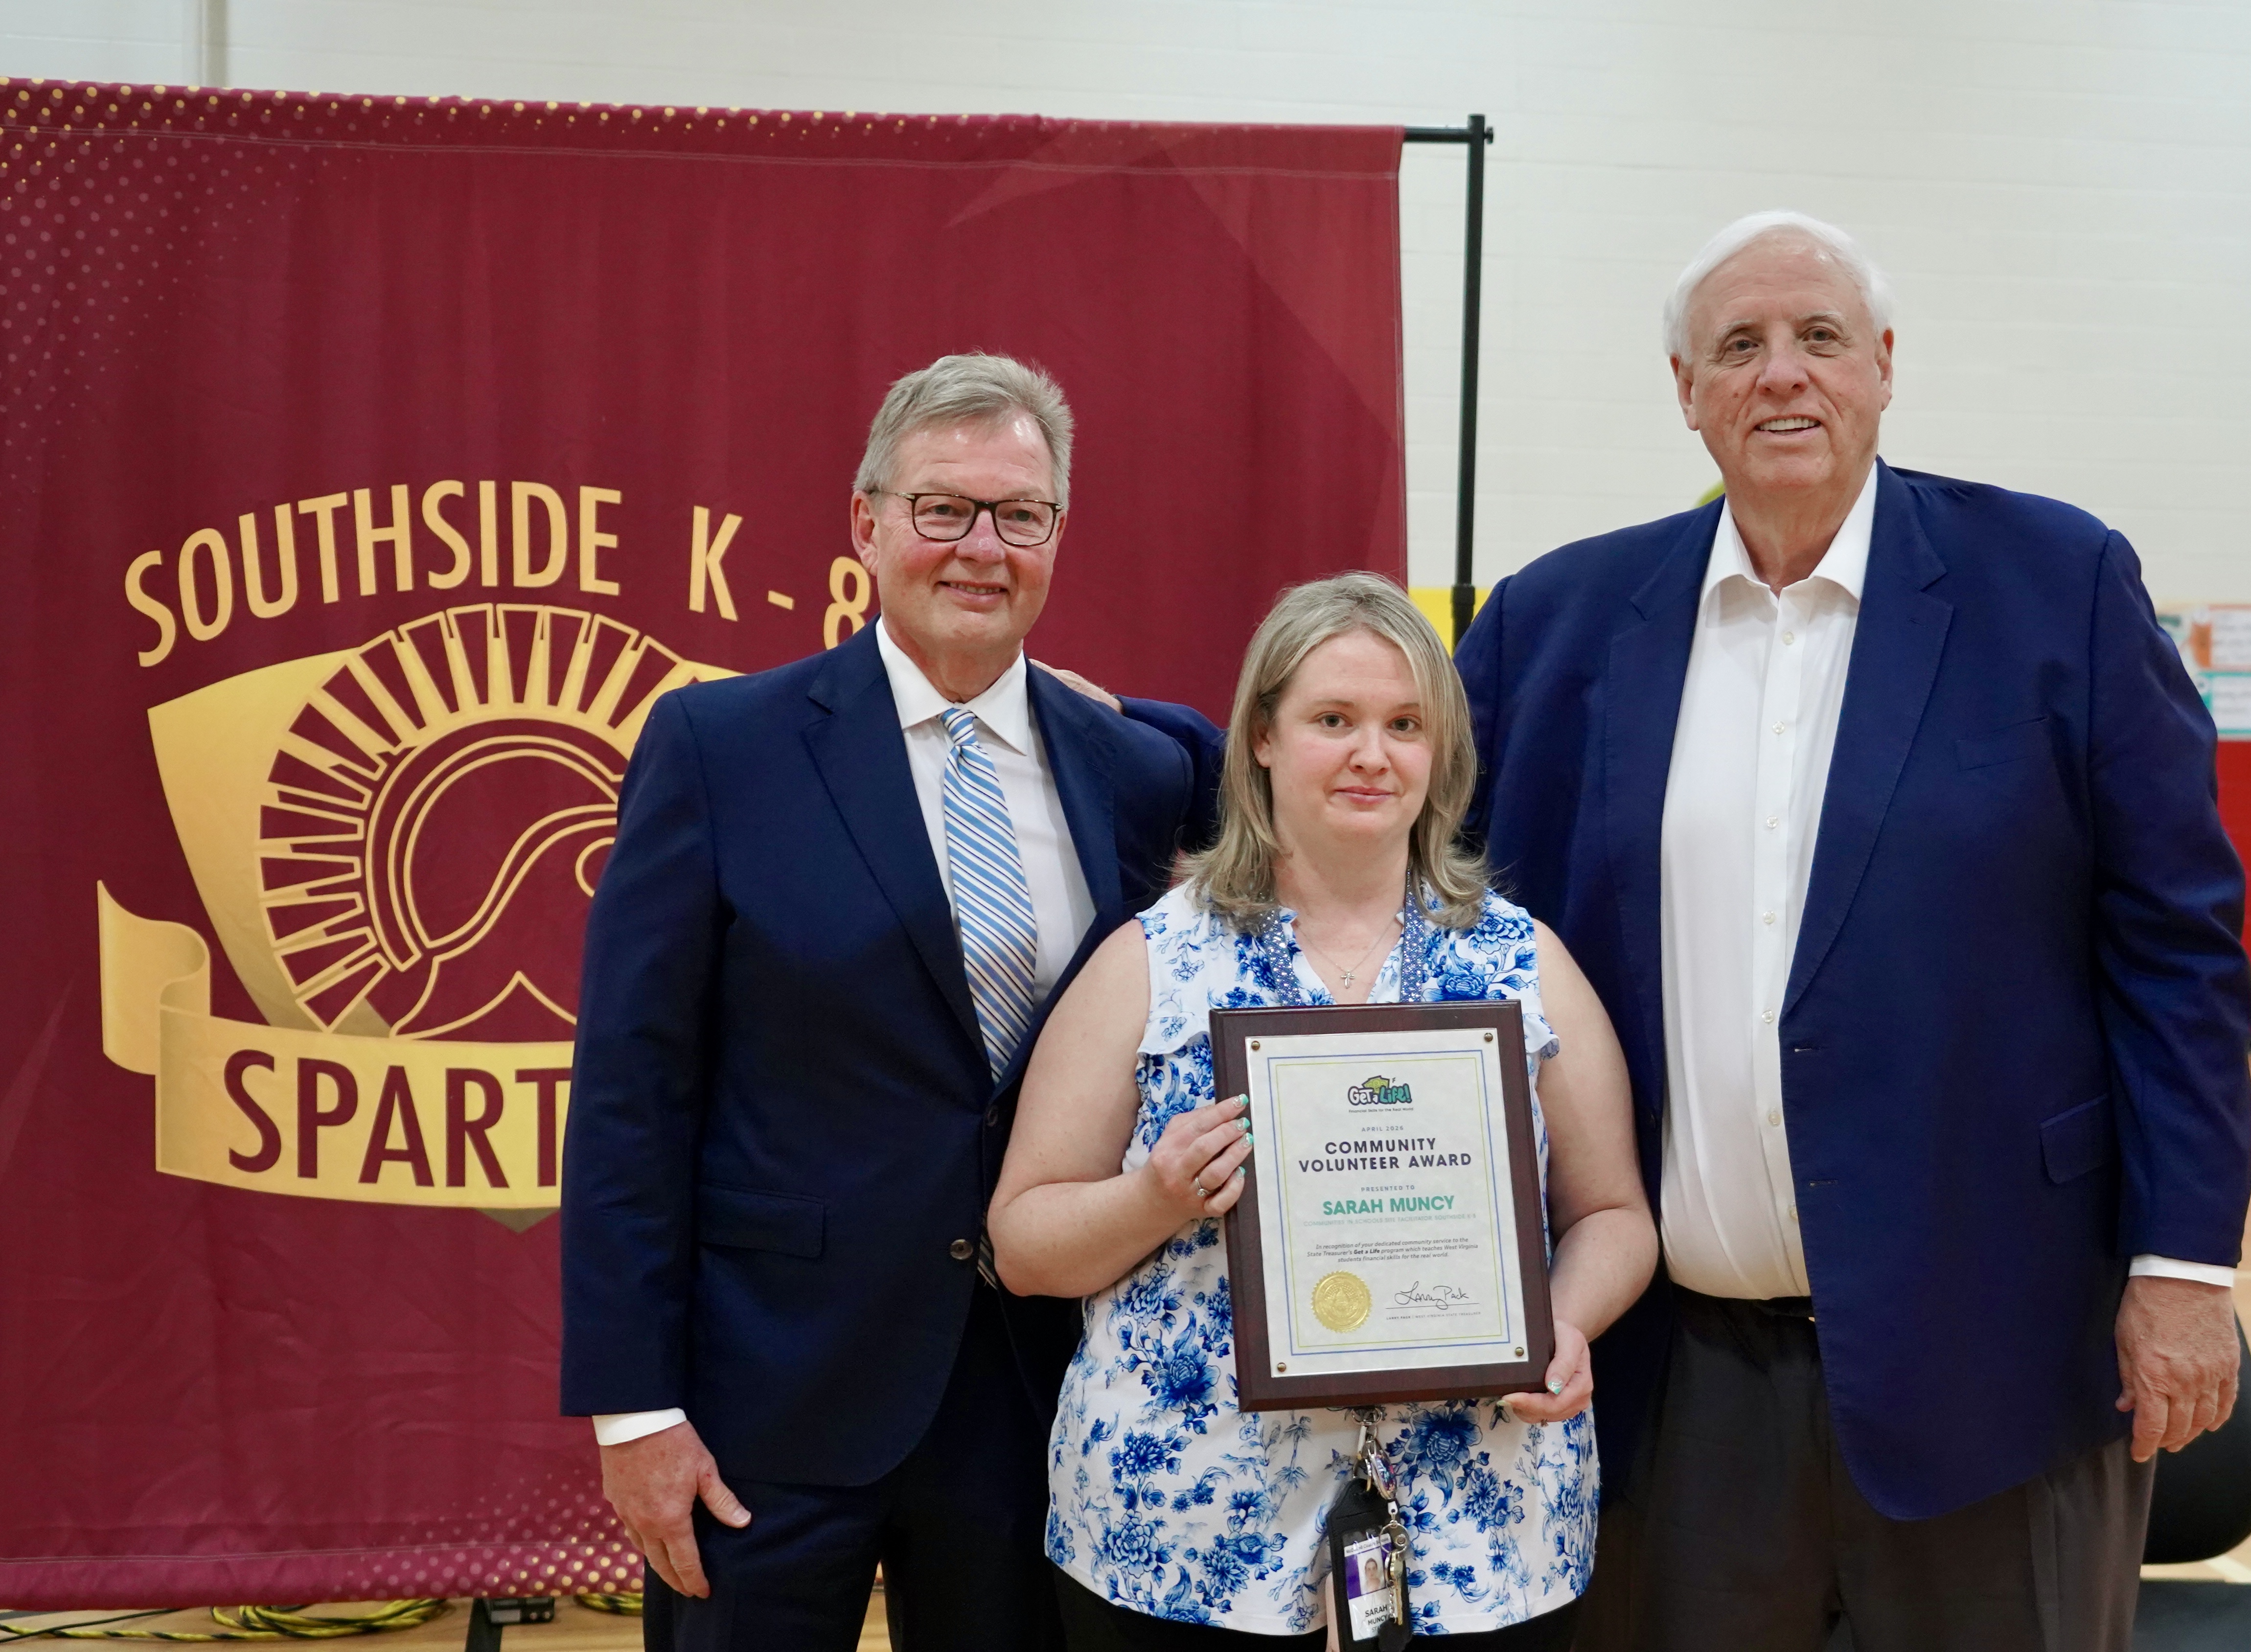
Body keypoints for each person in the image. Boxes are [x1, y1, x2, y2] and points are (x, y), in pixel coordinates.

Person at [1451, 212, 2251, 1651]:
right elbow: (1418, 889)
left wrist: (2184, 1269)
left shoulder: (2056, 583)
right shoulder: (1553, 623)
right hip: (1671, 1380)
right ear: (1686, 389)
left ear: (1884, 366)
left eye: (1819, 338)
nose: (1783, 374)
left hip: (1997, 1357)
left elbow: (2178, 948)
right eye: (1739, 346)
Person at [561, 352, 1212, 1650]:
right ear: (866, 524)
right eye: (943, 509)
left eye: (1019, 515)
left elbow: (1283, 778)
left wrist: (1150, 720)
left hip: (1032, 1392)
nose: (982, 547)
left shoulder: (1128, 771)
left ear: (1058, 535)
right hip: (769, 1398)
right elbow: (632, 1095)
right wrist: (634, 1410)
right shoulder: (718, 750)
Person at [991, 572, 1656, 1649]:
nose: (1371, 755)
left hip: (1482, 1534)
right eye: (1333, 720)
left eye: (1405, 725)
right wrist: (1155, 1196)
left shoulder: (1523, 963)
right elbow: (1023, 1243)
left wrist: (1563, 1321)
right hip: (1185, 1538)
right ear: (1262, 736)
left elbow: (1613, 1215)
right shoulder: (1154, 963)